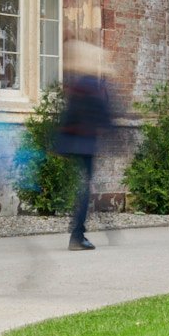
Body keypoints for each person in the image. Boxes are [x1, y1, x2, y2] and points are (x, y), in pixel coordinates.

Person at [54, 40, 115, 251]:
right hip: (85, 145)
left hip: (74, 144)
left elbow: (68, 116)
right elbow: (104, 117)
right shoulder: (91, 86)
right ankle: (77, 235)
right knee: (84, 190)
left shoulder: (78, 85)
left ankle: (78, 230)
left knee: (83, 187)